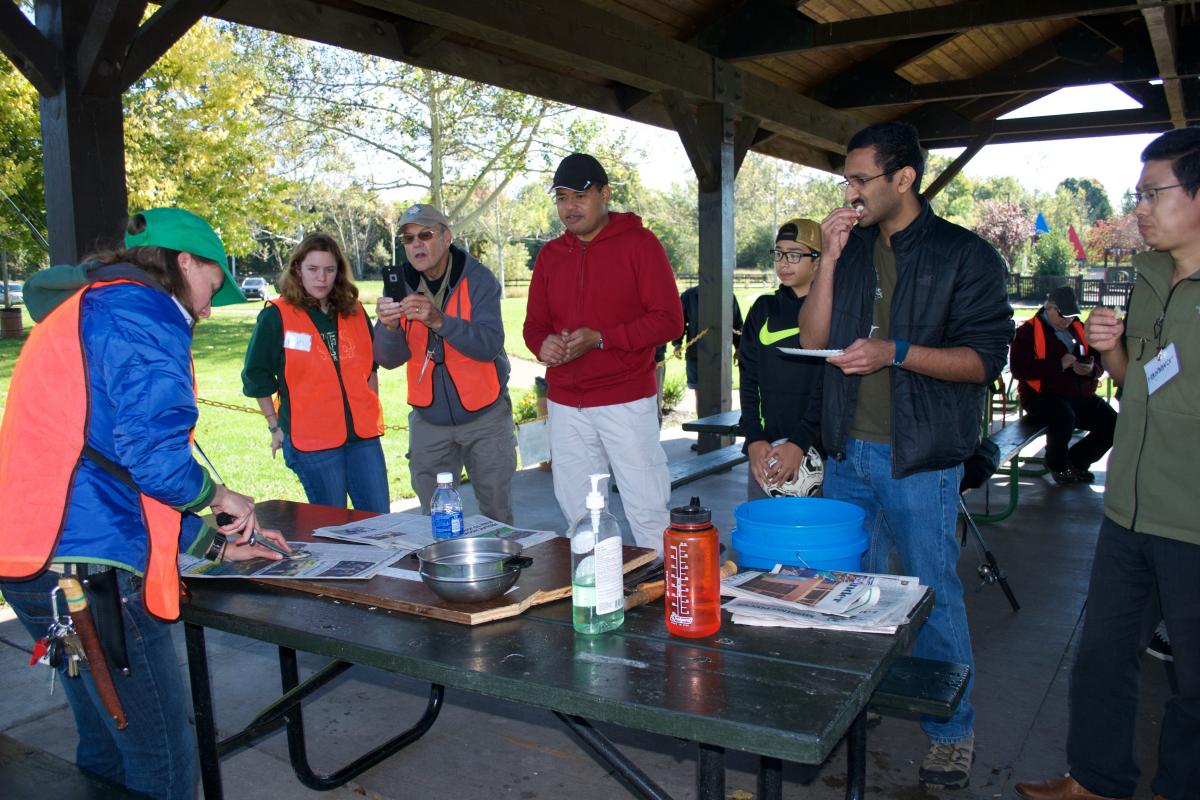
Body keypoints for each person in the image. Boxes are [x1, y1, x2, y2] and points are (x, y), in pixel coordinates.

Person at [0, 209, 290, 800]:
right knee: (162, 762)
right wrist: (221, 496)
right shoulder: (142, 313)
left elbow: (111, 470)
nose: (209, 308)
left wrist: (213, 544)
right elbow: (153, 464)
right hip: (90, 574)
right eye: (213, 284)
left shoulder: (100, 306)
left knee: (108, 748)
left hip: (40, 557)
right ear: (185, 263)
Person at [797, 121, 1013, 790]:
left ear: (904, 179)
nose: (850, 193)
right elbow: (818, 337)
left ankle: (952, 732)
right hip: (846, 453)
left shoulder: (965, 256)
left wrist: (895, 352)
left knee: (930, 593)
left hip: (919, 459)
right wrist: (828, 259)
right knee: (847, 596)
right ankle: (855, 710)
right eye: (846, 180)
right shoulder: (852, 250)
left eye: (861, 179)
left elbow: (984, 362)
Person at [1016, 127, 1200, 800]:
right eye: (1138, 193)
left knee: (1193, 685)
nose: (1140, 207)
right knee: (1100, 657)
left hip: (1194, 518)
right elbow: (1135, 383)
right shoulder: (1145, 278)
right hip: (1126, 509)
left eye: (1155, 193)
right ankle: (1093, 781)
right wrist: (1113, 348)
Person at [523, 153, 683, 550]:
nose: (569, 207)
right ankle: (594, 597)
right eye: (561, 198)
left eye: (579, 195)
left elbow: (669, 321)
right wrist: (543, 344)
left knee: (646, 508)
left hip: (625, 398)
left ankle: (665, 599)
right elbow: (533, 327)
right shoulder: (550, 255)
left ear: (605, 194)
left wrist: (601, 338)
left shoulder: (640, 244)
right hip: (565, 403)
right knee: (579, 515)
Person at [374, 204, 516, 523]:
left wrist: (440, 321)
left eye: (425, 235)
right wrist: (389, 327)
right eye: (408, 239)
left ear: (446, 236)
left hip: (485, 416)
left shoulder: (478, 279)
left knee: (497, 514)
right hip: (429, 421)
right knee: (434, 518)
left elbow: (489, 344)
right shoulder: (399, 284)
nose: (416, 244)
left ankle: (503, 571)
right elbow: (388, 359)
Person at [242, 232, 389, 513]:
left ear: (338, 272)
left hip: (363, 439)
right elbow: (255, 377)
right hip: (313, 444)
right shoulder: (277, 315)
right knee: (332, 527)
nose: (321, 277)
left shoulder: (355, 311)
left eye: (329, 270)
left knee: (380, 522)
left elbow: (370, 369)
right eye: (313, 269)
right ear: (298, 269)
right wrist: (275, 427)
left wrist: (369, 412)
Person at [738, 218, 825, 499]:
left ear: (818, 261)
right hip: (766, 451)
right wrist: (754, 438)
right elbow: (748, 379)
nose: (783, 262)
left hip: (817, 451)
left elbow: (830, 385)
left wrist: (800, 442)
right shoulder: (764, 309)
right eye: (778, 253)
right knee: (764, 537)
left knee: (812, 539)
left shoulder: (831, 314)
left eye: (795, 254)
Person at [1009, 285, 1116, 485]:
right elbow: (1019, 369)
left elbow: (1099, 360)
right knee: (1063, 416)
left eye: (1071, 316)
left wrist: (1091, 370)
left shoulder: (1079, 328)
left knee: (1113, 422)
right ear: (1049, 308)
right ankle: (1058, 466)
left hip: (1079, 394)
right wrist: (1058, 365)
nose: (1068, 321)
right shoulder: (1026, 332)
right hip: (1040, 396)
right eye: (1064, 315)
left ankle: (1077, 461)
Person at [675, 285, 743, 443]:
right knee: (700, 395)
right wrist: (677, 343)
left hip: (721, 353)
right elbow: (680, 320)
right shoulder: (688, 296)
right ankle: (704, 437)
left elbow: (737, 323)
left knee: (724, 392)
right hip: (695, 354)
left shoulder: (728, 295)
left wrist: (739, 347)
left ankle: (728, 436)